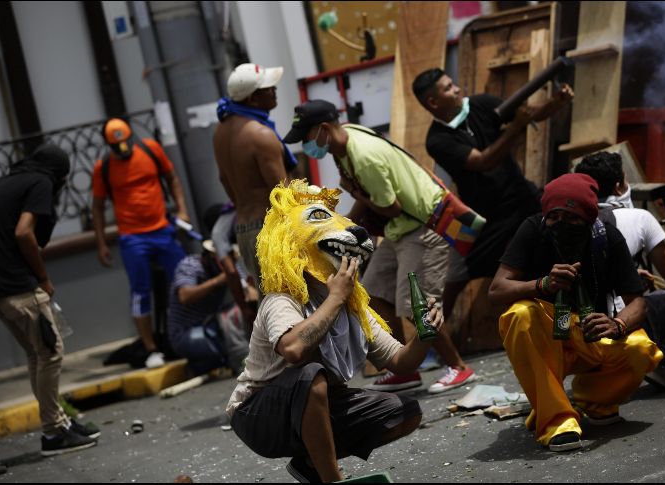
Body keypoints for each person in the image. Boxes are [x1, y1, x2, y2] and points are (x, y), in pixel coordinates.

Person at [226, 180, 441, 482]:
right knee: (311, 376)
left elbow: (401, 362)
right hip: (257, 414)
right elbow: (293, 349)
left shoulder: (353, 304)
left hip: (312, 404)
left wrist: (423, 333)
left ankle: (311, 464)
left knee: (404, 412)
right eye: (318, 218)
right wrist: (336, 297)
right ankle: (332, 480)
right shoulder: (282, 299)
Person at [282, 99, 472, 394]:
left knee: (414, 304)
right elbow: (367, 197)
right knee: (374, 292)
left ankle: (459, 367)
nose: (306, 146)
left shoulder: (364, 156)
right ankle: (403, 368)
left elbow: (391, 208)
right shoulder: (342, 147)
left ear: (323, 129)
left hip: (420, 226)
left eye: (306, 138)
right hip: (399, 230)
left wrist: (347, 208)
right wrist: (340, 226)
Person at [412, 68, 574, 388]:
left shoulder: (483, 105)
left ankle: (567, 331)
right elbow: (484, 160)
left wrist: (556, 102)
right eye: (448, 88)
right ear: (433, 102)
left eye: (453, 82)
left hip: (523, 200)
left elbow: (527, 115)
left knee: (560, 260)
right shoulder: (438, 140)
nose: (457, 89)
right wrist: (515, 129)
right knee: (458, 277)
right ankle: (435, 344)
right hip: (487, 219)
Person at [488, 173, 662, 452]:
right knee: (519, 314)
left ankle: (592, 401)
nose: (561, 224)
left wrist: (616, 324)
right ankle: (556, 421)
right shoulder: (533, 230)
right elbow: (496, 289)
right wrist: (541, 284)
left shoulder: (607, 237)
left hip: (590, 335)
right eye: (553, 216)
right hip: (546, 338)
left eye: (571, 217)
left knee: (642, 348)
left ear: (589, 218)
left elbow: (638, 303)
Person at [0, 144, 100, 456]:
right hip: (17, 285)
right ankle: (53, 432)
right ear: (60, 175)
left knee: (38, 355)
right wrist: (43, 277)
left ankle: (59, 422)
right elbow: (24, 233)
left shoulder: (9, 181)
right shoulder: (41, 182)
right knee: (50, 353)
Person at [574, 151, 665, 389]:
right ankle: (658, 362)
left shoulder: (569, 219)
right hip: (619, 321)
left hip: (577, 323)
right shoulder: (639, 217)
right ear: (619, 185)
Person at [92, 118, 190, 369]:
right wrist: (101, 243)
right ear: (109, 145)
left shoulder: (150, 150)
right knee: (140, 291)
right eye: (117, 147)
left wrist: (181, 209)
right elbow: (98, 207)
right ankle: (151, 349)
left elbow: (172, 179)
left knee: (185, 278)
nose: (123, 151)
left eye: (125, 144)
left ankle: (188, 334)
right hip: (132, 237)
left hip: (162, 229)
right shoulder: (103, 168)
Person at [213, 63, 294, 302]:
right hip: (271, 229)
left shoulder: (220, 133)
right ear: (253, 99)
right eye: (268, 88)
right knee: (296, 306)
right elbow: (283, 195)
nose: (274, 91)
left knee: (273, 308)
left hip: (245, 230)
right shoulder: (260, 135)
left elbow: (224, 179)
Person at [167, 207, 251, 376]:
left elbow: (248, 289)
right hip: (187, 332)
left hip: (212, 325)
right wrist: (218, 281)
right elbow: (184, 296)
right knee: (228, 338)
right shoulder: (190, 265)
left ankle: (203, 365)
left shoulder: (230, 266)